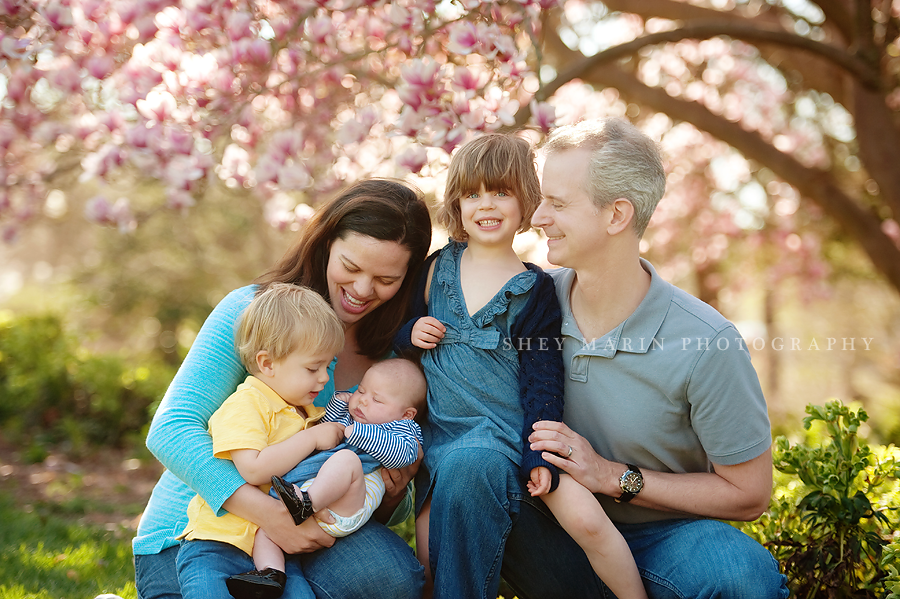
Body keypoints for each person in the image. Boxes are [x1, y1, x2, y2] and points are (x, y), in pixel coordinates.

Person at [498, 118, 790, 598]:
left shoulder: (707, 342)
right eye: (541, 199)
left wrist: (612, 475)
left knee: (742, 577)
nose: (537, 217)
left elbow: (750, 493)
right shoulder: (524, 304)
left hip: (665, 538)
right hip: (546, 521)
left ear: (616, 216)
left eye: (558, 203)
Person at [132, 179, 433, 599]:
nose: (363, 290)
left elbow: (375, 499)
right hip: (204, 526)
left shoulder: (392, 365)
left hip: (308, 532)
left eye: (385, 278)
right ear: (326, 243)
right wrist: (270, 515)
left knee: (394, 579)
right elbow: (172, 428)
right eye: (351, 266)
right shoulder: (254, 312)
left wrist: (393, 491)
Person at [394, 132, 646, 598]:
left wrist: (538, 452)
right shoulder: (434, 270)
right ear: (457, 203)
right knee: (432, 562)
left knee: (587, 522)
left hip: (511, 435)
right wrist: (409, 333)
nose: (485, 205)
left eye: (501, 192)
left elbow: (542, 378)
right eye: (473, 193)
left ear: (528, 200)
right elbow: (397, 340)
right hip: (447, 439)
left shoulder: (535, 291)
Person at [175, 284, 427, 599]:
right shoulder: (247, 405)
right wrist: (313, 438)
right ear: (267, 364)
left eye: (329, 366)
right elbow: (253, 470)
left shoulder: (305, 413)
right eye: (313, 368)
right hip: (217, 541)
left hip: (275, 546)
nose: (324, 379)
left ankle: (270, 574)